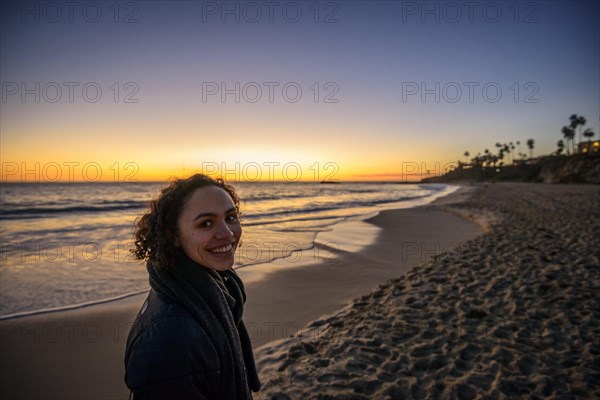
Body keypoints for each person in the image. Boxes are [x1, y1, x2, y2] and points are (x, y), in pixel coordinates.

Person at [124, 174, 261, 399]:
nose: (227, 233)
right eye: (206, 223)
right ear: (173, 235)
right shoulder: (172, 338)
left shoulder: (193, 284)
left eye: (231, 217)